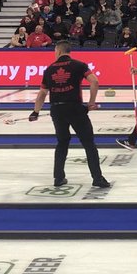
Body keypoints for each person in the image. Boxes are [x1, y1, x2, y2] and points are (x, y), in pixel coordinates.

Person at [28, 41, 109, 189]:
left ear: (58, 51)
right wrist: (91, 103)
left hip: (57, 110)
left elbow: (42, 94)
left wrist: (35, 112)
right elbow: (95, 82)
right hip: (75, 109)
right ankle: (97, 178)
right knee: (88, 144)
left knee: (62, 142)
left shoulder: (49, 69)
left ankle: (58, 177)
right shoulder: (79, 65)